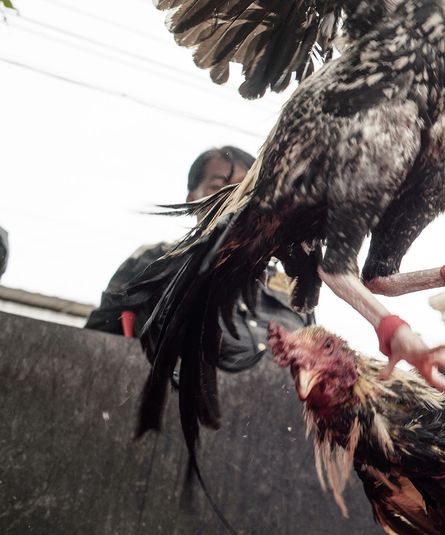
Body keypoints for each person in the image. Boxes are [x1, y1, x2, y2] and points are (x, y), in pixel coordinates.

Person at [85, 146, 313, 371]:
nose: (234, 197)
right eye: (217, 186)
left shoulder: (292, 282)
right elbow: (95, 346)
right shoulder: (153, 260)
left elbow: (318, 359)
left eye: (246, 188)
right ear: (192, 200)